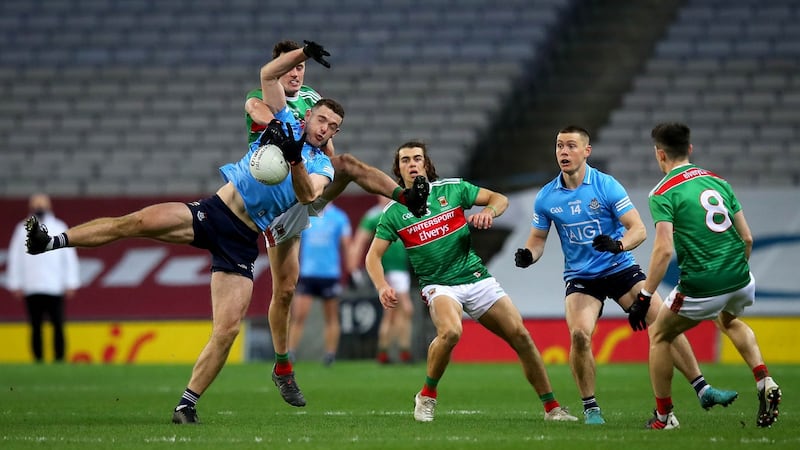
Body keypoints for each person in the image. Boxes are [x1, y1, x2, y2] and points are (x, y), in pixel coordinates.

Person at [24, 40, 339, 424]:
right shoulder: (284, 119)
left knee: (227, 330)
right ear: (308, 116)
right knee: (134, 223)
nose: (326, 129)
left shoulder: (322, 166)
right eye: (322, 120)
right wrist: (303, 53)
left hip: (242, 240)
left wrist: (294, 159)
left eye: (333, 127)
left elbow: (308, 195)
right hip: (214, 212)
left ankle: (186, 405)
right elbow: (265, 78)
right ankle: (50, 241)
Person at [245, 41, 429, 408]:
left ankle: (407, 197)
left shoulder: (313, 100)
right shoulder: (263, 96)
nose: (295, 73)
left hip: (308, 187)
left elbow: (327, 150)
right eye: (289, 67)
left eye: (300, 68)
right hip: (275, 202)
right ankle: (283, 366)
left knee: (347, 163)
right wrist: (287, 128)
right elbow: (256, 110)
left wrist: (321, 137)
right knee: (285, 292)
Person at [514, 125, 738, 425]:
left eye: (570, 146)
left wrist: (618, 245)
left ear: (586, 151)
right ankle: (591, 408)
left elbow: (639, 229)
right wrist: (528, 255)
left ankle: (703, 389)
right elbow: (537, 240)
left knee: (664, 323)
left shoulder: (606, 186)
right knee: (579, 334)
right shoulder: (546, 197)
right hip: (582, 277)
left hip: (619, 267)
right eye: (559, 146)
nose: (563, 152)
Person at [365, 141, 577, 423]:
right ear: (398, 169)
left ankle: (552, 409)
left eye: (417, 158)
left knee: (522, 336)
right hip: (439, 285)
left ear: (426, 164)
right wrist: (382, 286)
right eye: (405, 160)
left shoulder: (453, 189)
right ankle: (426, 395)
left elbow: (499, 199)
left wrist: (489, 212)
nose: (412, 164)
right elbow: (372, 256)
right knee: (451, 332)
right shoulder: (394, 212)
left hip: (475, 277)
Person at [640, 122, 781, 429]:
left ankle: (664, 417)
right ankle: (763, 379)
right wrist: (733, 274)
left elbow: (663, 250)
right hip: (741, 278)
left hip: (703, 284)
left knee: (660, 335)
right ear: (690, 149)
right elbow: (747, 238)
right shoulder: (719, 182)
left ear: (659, 154)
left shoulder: (662, 192)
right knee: (729, 321)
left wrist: (646, 295)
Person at [6, 193, 80, 363]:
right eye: (36, 204)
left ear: (49, 206)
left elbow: (68, 256)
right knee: (35, 326)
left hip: (55, 286)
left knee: (58, 324)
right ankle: (38, 359)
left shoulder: (59, 226)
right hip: (31, 285)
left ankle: (59, 359)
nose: (39, 207)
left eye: (42, 204)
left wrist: (71, 282)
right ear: (30, 207)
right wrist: (15, 283)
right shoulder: (22, 229)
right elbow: (15, 258)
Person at [348, 195, 414, 364]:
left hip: (401, 268)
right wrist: (353, 269)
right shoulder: (374, 215)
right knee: (403, 309)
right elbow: (359, 241)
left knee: (395, 312)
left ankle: (388, 351)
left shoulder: (401, 211)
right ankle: (400, 351)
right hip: (388, 268)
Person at [287, 202, 352, 366]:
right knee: (298, 315)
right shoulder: (306, 214)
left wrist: (352, 270)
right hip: (308, 273)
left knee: (331, 317)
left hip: (329, 274)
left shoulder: (340, 217)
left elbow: (347, 245)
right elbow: (294, 242)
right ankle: (290, 353)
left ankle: (330, 355)